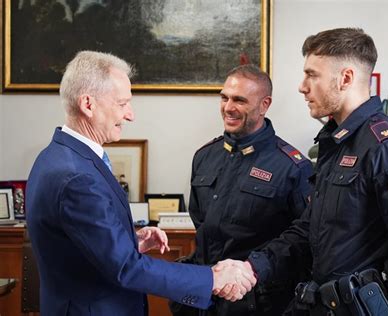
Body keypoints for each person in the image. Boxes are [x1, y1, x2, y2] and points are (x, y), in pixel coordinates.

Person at [217, 28, 388, 315]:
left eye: (312, 75)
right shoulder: (338, 144)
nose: (302, 86)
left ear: (345, 78)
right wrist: (253, 267)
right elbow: (310, 231)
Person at [26, 51, 256, 315]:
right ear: (88, 105)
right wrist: (212, 279)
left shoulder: (57, 156)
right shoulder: (77, 177)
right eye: (123, 103)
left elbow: (79, 243)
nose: (130, 115)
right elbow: (126, 268)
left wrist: (130, 242)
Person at [171, 64, 314, 316]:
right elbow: (201, 225)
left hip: (256, 303)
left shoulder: (292, 167)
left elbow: (302, 240)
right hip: (203, 297)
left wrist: (252, 269)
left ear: (264, 104)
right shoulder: (205, 156)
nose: (228, 107)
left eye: (239, 100)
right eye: (224, 98)